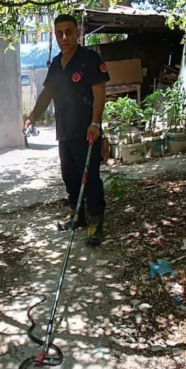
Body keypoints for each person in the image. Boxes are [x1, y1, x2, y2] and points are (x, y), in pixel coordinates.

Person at [24, 14, 109, 247]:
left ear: (77, 32)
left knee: (89, 178)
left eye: (69, 32)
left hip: (87, 132)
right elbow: (46, 94)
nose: (64, 37)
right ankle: (78, 216)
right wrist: (33, 116)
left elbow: (100, 93)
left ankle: (95, 221)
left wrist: (96, 123)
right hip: (64, 132)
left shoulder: (89, 59)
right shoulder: (55, 64)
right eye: (59, 32)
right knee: (69, 175)